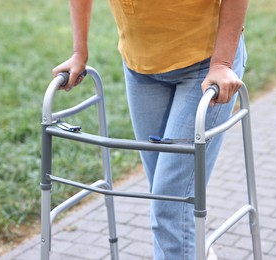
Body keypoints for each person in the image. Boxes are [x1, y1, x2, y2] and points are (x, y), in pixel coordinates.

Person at [53, 1, 248, 259]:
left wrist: (222, 62)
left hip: (206, 67)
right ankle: (197, 252)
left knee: (169, 204)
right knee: (167, 197)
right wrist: (79, 52)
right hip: (141, 68)